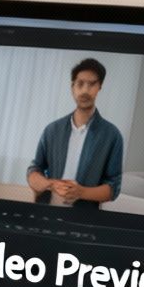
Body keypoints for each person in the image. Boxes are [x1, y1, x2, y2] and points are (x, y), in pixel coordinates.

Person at [25, 58, 124, 208]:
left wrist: (81, 192)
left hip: (84, 219)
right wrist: (51, 184)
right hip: (47, 211)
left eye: (92, 84)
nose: (85, 90)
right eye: (80, 84)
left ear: (99, 87)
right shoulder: (52, 130)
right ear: (72, 87)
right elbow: (34, 170)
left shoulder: (112, 135)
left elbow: (113, 188)